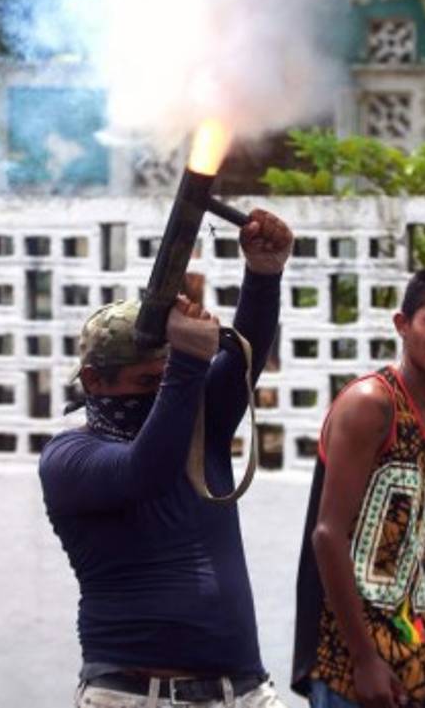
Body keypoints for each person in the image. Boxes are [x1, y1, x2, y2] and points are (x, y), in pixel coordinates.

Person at [40, 208, 294, 708]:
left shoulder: (201, 423)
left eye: (167, 379)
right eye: (146, 382)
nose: (163, 394)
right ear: (94, 382)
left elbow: (246, 353)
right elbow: (145, 471)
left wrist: (264, 273)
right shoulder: (68, 458)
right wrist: (185, 365)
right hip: (136, 696)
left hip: (243, 692)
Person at [291, 265, 425, 708]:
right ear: (403, 324)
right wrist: (363, 658)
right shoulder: (372, 403)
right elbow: (327, 534)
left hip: (413, 632)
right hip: (351, 647)